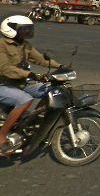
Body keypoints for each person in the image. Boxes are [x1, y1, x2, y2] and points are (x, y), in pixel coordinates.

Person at [0, 15, 61, 155]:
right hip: (3, 84)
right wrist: (29, 74)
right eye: (23, 29)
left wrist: (60, 67)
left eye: (28, 29)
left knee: (52, 90)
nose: (27, 32)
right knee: (25, 100)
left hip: (21, 83)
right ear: (10, 29)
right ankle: (2, 136)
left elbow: (40, 59)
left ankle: (33, 120)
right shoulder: (1, 45)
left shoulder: (25, 45)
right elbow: (5, 69)